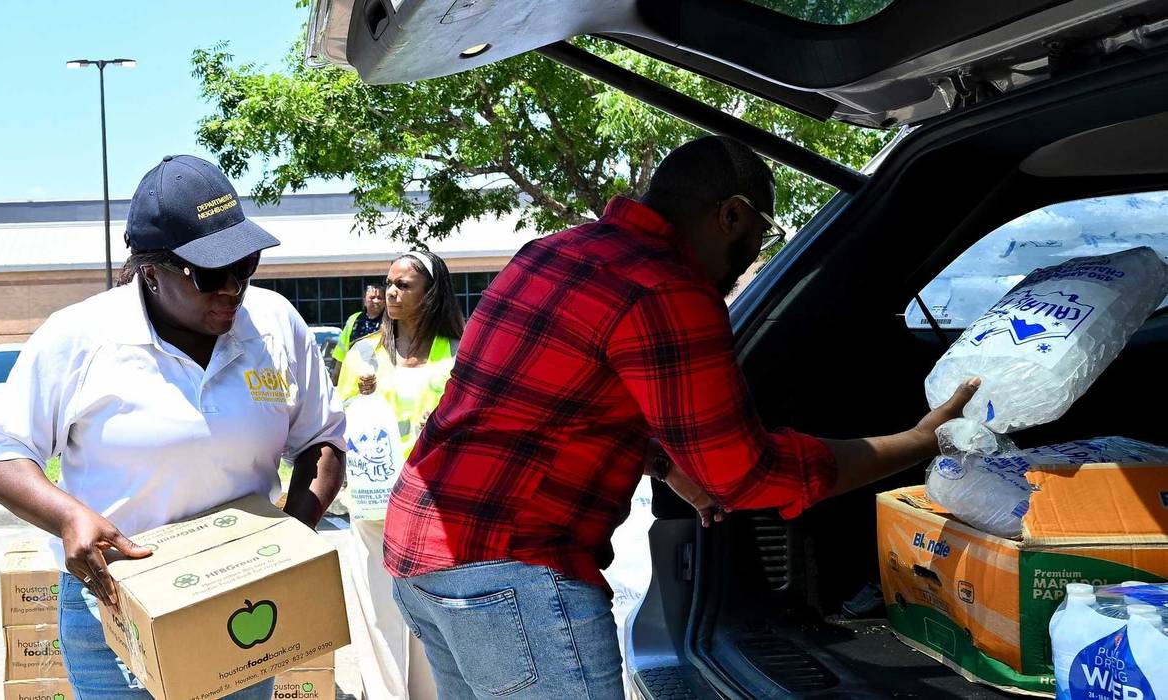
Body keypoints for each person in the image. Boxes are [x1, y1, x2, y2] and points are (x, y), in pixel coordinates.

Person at [382, 136, 981, 699]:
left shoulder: (554, 251)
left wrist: (668, 464)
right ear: (733, 216)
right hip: (512, 572)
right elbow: (746, 476)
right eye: (759, 236)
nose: (751, 255)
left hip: (419, 553)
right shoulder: (667, 289)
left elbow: (548, 406)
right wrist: (915, 441)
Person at [0, 155, 346, 700]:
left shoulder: (275, 324)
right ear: (151, 271)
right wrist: (69, 516)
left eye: (246, 264)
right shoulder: (80, 337)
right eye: (211, 273)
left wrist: (291, 540)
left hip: (241, 601)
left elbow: (321, 440)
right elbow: (0, 453)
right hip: (116, 606)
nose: (233, 288)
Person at [334, 250, 464, 700]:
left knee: (431, 618)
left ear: (431, 294)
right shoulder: (362, 355)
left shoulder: (457, 356)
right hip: (374, 509)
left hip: (435, 509)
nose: (391, 292)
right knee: (378, 612)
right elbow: (340, 420)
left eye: (404, 285)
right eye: (388, 283)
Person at [331, 284, 387, 383]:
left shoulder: (390, 322)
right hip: (353, 379)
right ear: (364, 301)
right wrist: (335, 378)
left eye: (380, 298)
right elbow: (341, 352)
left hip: (380, 378)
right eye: (372, 297)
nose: (376, 301)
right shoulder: (354, 319)